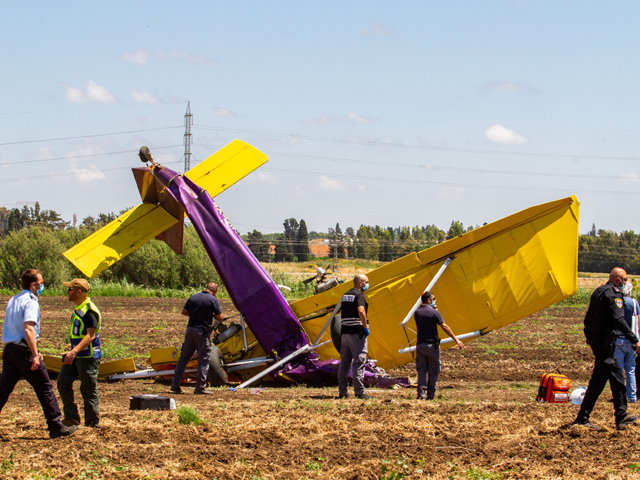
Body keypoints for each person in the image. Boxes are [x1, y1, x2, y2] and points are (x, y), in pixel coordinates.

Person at [0, 269, 76, 438]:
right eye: (41, 283)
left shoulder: (13, 300)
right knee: (45, 388)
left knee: (3, 389)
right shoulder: (30, 302)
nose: (42, 286)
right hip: (23, 352)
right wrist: (34, 354)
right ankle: (56, 426)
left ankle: (56, 424)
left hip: (10, 350)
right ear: (33, 285)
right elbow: (28, 329)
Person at [572, 267, 640, 431]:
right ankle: (583, 417)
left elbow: (588, 317)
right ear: (618, 280)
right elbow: (619, 320)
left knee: (617, 379)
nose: (625, 283)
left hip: (599, 342)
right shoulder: (614, 295)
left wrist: (589, 336)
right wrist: (635, 340)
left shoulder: (599, 292)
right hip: (606, 344)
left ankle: (621, 416)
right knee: (598, 382)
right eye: (624, 280)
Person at [58, 278, 102, 428]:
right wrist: (72, 351)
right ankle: (71, 417)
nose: (67, 292)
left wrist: (74, 352)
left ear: (78, 291)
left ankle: (92, 423)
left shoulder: (89, 310)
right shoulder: (79, 308)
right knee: (63, 381)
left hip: (88, 357)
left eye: (70, 289)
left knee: (88, 388)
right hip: (76, 355)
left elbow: (91, 335)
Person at [170, 283, 223, 395]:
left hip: (190, 331)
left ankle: (175, 385)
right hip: (201, 333)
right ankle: (200, 387)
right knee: (204, 358)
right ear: (214, 291)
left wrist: (195, 314)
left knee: (184, 357)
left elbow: (184, 312)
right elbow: (220, 317)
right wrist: (211, 314)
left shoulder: (193, 297)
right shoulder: (213, 299)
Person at [414, 291, 464, 400]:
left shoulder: (417, 312)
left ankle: (421, 394)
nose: (435, 301)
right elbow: (444, 327)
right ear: (429, 300)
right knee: (434, 369)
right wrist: (456, 340)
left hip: (420, 345)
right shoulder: (435, 313)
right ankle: (431, 394)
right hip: (432, 345)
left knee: (421, 370)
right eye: (434, 299)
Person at [338, 274, 371, 399]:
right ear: (360, 282)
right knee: (359, 361)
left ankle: (342, 392)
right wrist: (365, 327)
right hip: (357, 333)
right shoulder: (360, 295)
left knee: (344, 363)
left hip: (345, 333)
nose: (367, 284)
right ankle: (359, 392)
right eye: (366, 282)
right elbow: (361, 310)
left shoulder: (345, 295)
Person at [615, 281, 640, 403]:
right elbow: (638, 323)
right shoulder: (634, 303)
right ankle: (632, 396)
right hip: (632, 340)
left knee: (618, 370)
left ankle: (620, 397)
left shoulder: (617, 302)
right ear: (629, 291)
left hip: (619, 339)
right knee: (631, 370)